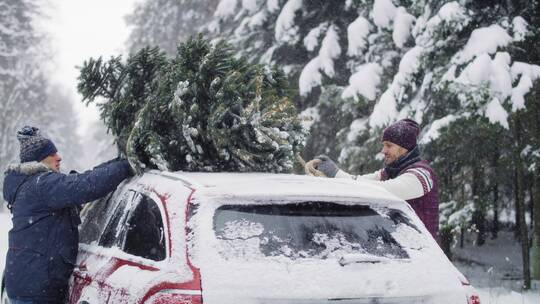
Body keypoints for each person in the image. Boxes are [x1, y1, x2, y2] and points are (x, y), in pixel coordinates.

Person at [2, 126, 133, 304]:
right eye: (52, 153)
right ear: (39, 160)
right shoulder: (42, 185)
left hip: (29, 283)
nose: (59, 157)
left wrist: (117, 161)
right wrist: (127, 165)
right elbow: (87, 185)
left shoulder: (33, 185)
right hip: (36, 290)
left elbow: (85, 178)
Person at [311, 119, 439, 240]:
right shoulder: (390, 171)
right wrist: (333, 175)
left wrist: (337, 173)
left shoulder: (422, 175)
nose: (383, 150)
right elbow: (357, 182)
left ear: (405, 148)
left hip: (422, 255)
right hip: (401, 250)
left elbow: (382, 190)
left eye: (389, 145)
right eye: (383, 145)